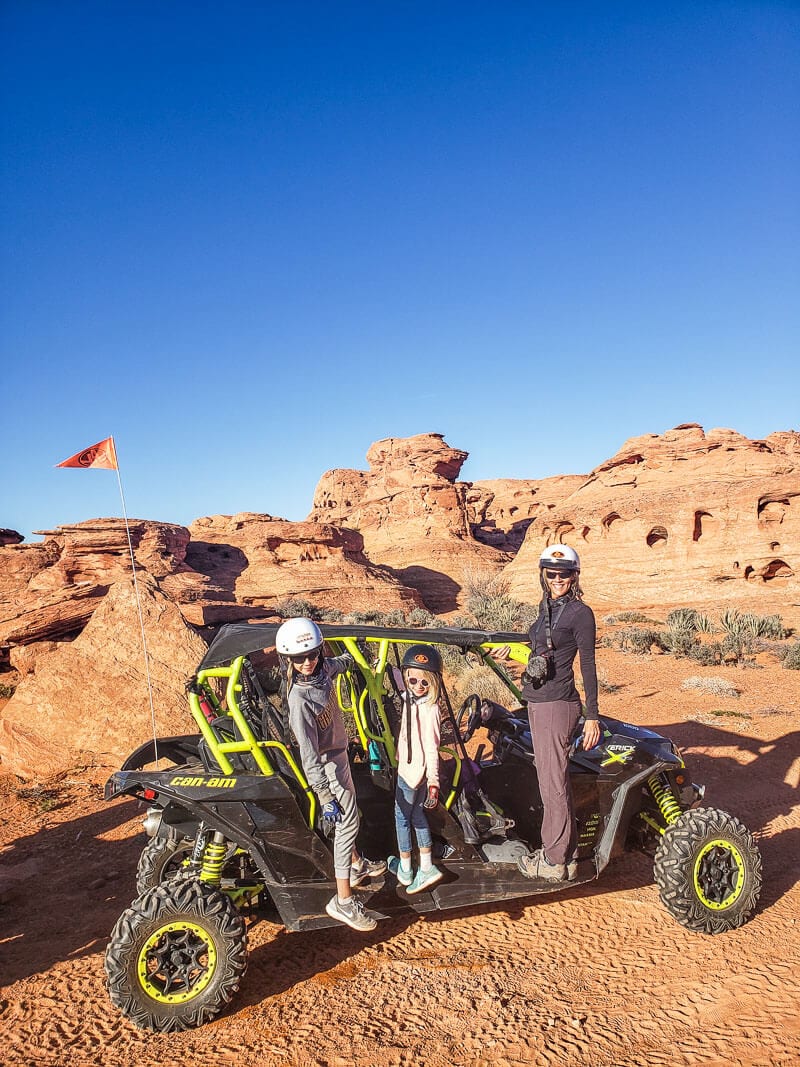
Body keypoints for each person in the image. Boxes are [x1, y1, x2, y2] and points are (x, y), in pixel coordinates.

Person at [277, 617, 386, 931]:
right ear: (289, 660)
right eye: (299, 658)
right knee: (348, 821)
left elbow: (340, 663)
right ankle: (342, 900)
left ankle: (355, 864)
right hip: (327, 766)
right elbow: (308, 755)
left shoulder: (323, 671)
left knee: (349, 819)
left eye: (312, 654)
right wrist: (324, 795)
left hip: (340, 756)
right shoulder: (298, 700)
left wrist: (358, 654)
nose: (307, 662)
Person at [517, 545, 602, 882]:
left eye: (563, 574)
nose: (557, 580)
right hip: (539, 702)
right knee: (548, 779)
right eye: (551, 574)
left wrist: (592, 715)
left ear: (574, 575)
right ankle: (563, 854)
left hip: (557, 704)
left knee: (552, 783)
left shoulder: (580, 613)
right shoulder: (546, 610)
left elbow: (588, 664)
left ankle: (554, 860)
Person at [387, 644, 444, 894]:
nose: (419, 686)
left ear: (433, 683)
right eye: (414, 680)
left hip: (413, 774)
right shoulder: (413, 698)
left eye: (425, 683)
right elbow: (402, 686)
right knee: (418, 816)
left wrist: (433, 782)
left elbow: (432, 748)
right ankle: (427, 866)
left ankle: (406, 868)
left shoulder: (429, 709)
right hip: (412, 769)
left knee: (402, 817)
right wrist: (392, 669)